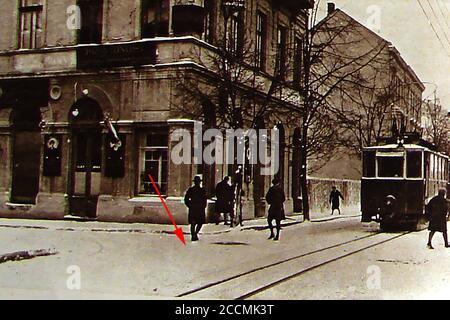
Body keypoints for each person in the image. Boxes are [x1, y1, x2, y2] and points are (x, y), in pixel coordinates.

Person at [184, 176, 208, 242]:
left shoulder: (201, 190)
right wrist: (189, 205)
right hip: (196, 208)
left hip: (196, 208)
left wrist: (189, 205)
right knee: (195, 223)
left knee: (196, 223)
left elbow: (204, 199)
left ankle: (194, 234)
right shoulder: (193, 190)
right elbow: (186, 198)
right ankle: (194, 235)